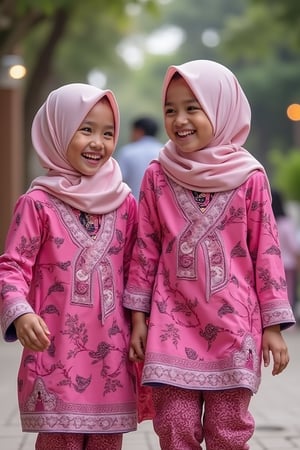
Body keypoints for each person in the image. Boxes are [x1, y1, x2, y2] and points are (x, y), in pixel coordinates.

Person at [123, 60, 296, 450]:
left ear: (221, 109)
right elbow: (145, 248)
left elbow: (266, 252)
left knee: (228, 431)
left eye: (192, 107)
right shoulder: (156, 175)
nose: (179, 119)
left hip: (234, 328)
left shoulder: (250, 177)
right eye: (171, 109)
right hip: (170, 326)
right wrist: (138, 317)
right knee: (174, 428)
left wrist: (272, 327)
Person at [0, 83, 138, 450]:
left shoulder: (125, 204)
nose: (99, 142)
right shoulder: (37, 203)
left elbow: (140, 269)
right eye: (86, 129)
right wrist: (20, 312)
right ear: (57, 131)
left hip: (112, 355)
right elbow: (12, 266)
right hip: (55, 351)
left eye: (108, 133)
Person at [116, 116, 162, 198]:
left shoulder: (127, 152)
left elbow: (118, 182)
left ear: (139, 131)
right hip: (160, 208)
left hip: (133, 206)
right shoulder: (164, 153)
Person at [271, 189, 300, 315]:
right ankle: (288, 318)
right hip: (288, 264)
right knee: (289, 292)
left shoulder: (268, 221)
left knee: (275, 292)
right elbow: (294, 246)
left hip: (272, 265)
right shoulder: (286, 223)